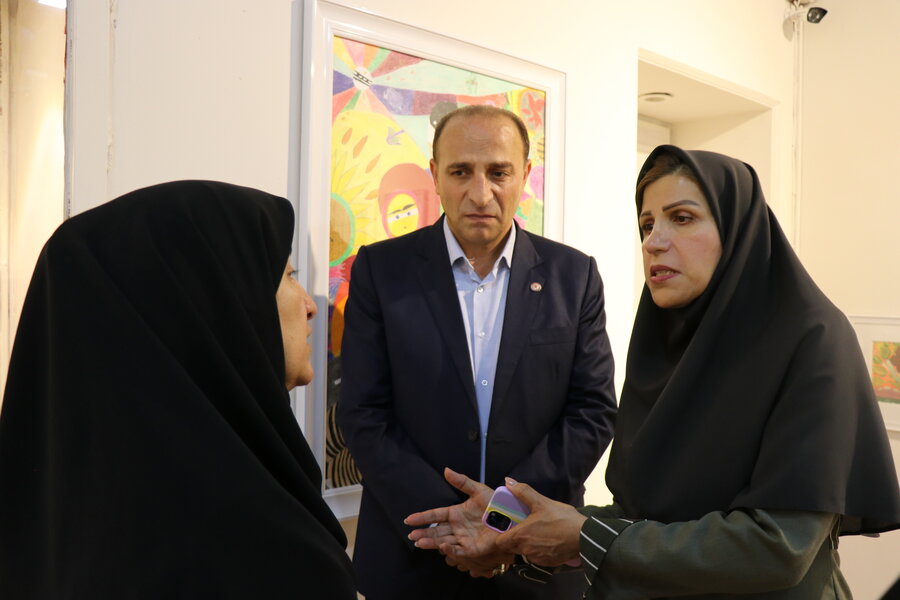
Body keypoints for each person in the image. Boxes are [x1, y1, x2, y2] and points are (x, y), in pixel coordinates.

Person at [407, 145, 900, 598]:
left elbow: (778, 547)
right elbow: (644, 516)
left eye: (682, 218)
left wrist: (584, 536)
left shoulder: (812, 338)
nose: (654, 242)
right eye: (646, 225)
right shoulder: (669, 347)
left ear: (737, 230)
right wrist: (513, 523)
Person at [0, 181, 357, 599]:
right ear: (220, 305)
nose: (310, 305)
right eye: (288, 277)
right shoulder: (261, 549)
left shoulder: (51, 526)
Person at [336, 105, 617, 599]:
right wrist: (453, 525)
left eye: (499, 172)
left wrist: (501, 516)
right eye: (461, 171)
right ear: (435, 175)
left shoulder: (574, 276)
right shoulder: (382, 271)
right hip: (413, 557)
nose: (480, 193)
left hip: (536, 560)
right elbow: (363, 413)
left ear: (524, 175)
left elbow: (592, 411)